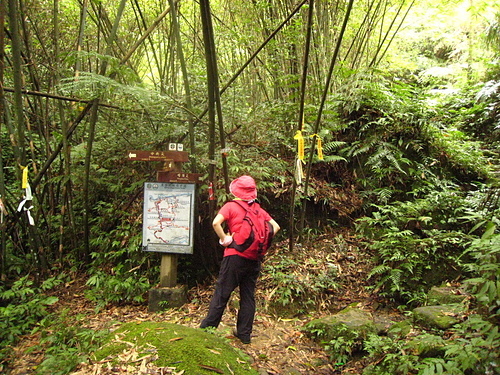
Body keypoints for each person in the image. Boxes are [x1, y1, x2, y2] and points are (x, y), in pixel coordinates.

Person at [200, 175, 280, 344]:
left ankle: (207, 329)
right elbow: (276, 227)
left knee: (222, 293)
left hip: (235, 256)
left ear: (235, 190)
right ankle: (244, 334)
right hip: (254, 258)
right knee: (248, 295)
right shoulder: (258, 209)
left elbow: (216, 223)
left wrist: (226, 239)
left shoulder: (231, 206)